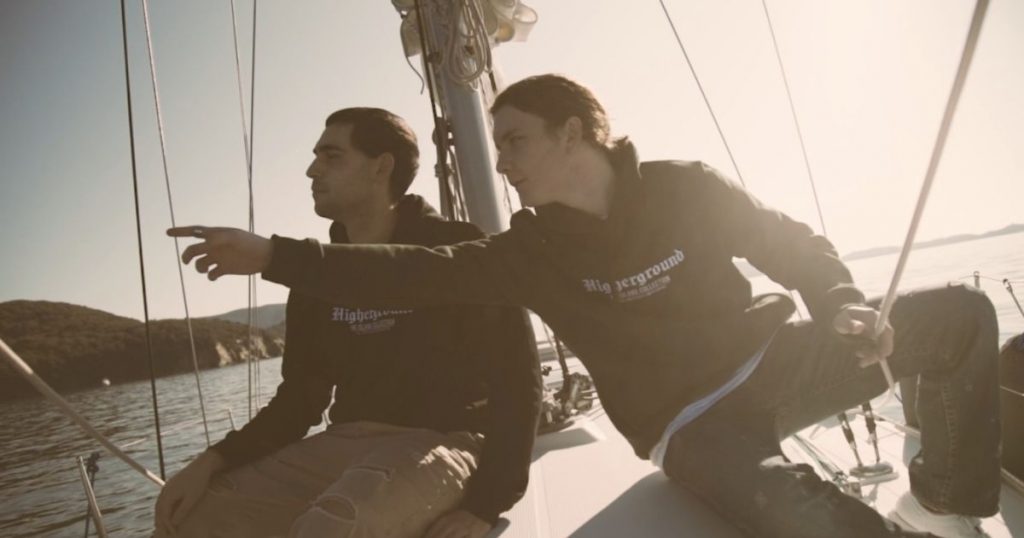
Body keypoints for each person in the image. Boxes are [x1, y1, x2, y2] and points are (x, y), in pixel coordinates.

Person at [170, 75, 1002, 538]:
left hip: (780, 361)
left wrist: (842, 303)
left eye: (515, 141)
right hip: (690, 423)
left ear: (574, 133)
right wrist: (275, 257)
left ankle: (944, 498)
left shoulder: (683, 188)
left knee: (963, 318)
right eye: (498, 147)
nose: (504, 164)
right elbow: (413, 274)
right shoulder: (530, 252)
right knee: (804, 515)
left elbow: (789, 244)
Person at [154, 107, 542, 538]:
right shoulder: (316, 277)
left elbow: (517, 382)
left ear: (381, 167)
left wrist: (486, 503)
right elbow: (299, 402)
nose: (311, 170)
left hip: (445, 440)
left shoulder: (455, 249)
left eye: (331, 156)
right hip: (344, 444)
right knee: (190, 522)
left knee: (335, 525)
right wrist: (212, 460)